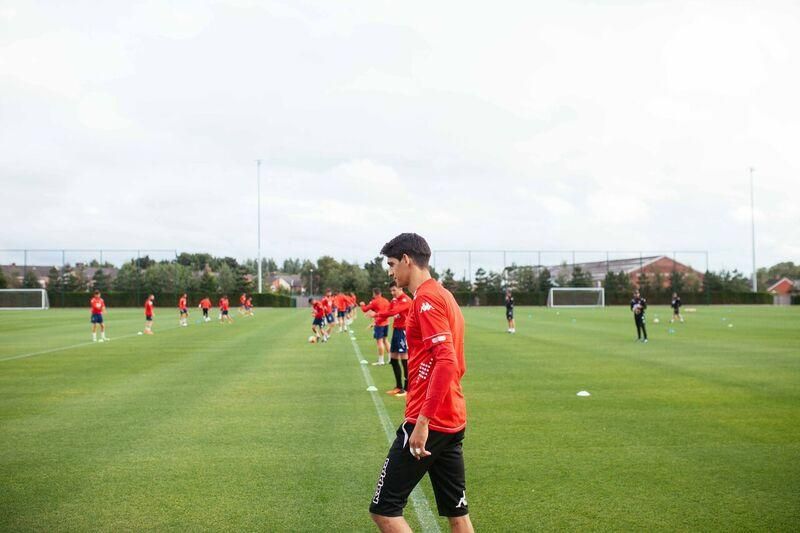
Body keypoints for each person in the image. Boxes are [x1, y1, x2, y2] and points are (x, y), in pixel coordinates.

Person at [369, 232, 473, 533]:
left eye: (391, 264)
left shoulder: (426, 300)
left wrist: (423, 421)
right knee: (458, 514)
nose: (390, 271)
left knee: (384, 511)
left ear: (406, 259)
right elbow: (458, 364)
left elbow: (447, 360)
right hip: (452, 417)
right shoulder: (444, 295)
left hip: (430, 421)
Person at [373, 281, 413, 397]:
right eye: (391, 291)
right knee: (394, 358)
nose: (392, 293)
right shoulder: (394, 300)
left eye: (394, 290)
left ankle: (407, 388)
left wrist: (377, 315)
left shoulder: (406, 300)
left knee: (404, 358)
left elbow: (393, 312)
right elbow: (388, 310)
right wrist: (378, 316)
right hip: (396, 330)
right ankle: (398, 386)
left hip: (404, 331)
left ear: (401, 289)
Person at [360, 288, 391, 365]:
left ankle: (381, 361)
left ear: (374, 294)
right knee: (385, 341)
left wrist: (362, 304)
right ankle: (391, 359)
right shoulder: (386, 300)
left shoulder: (374, 301)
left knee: (379, 342)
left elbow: (364, 309)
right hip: (386, 322)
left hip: (379, 323)